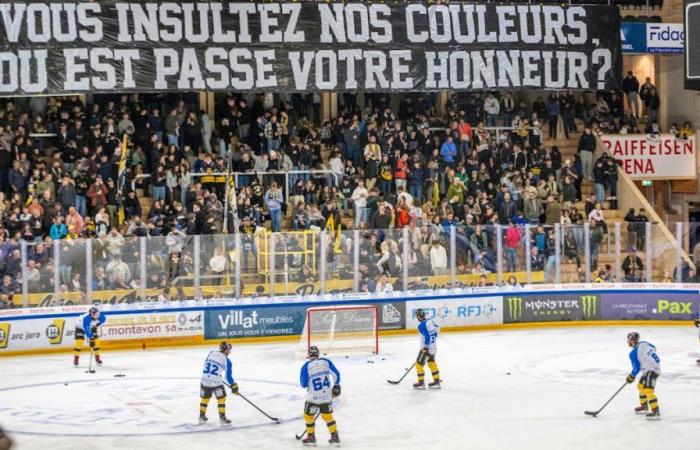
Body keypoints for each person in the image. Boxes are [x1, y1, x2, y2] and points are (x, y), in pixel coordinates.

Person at [300, 345, 341, 446]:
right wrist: (336, 386)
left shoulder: (306, 366)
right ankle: (334, 435)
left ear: (309, 355)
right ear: (318, 354)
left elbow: (303, 383)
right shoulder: (326, 361)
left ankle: (311, 437)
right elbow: (336, 374)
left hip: (313, 398)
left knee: (308, 416)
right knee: (328, 416)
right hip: (326, 396)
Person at [199, 341, 238, 426]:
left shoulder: (211, 353)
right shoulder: (227, 360)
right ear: (226, 350)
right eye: (229, 350)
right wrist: (234, 385)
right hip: (216, 382)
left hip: (204, 379)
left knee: (205, 399)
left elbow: (206, 364)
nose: (230, 352)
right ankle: (222, 417)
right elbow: (228, 377)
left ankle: (201, 416)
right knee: (221, 399)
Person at [626, 332, 661, 420]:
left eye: (629, 340)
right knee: (640, 386)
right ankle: (644, 406)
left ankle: (655, 411)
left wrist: (631, 377)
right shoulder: (644, 343)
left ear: (633, 341)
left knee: (648, 390)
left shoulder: (633, 353)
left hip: (652, 371)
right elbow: (654, 348)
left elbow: (636, 368)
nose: (628, 342)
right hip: (651, 369)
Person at [414, 308, 441, 390]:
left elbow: (427, 336)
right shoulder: (431, 321)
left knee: (418, 365)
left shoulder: (421, 325)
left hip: (427, 349)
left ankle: (421, 383)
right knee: (431, 363)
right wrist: (432, 343)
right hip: (433, 348)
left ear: (418, 316)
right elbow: (437, 331)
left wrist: (425, 347)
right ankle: (437, 382)